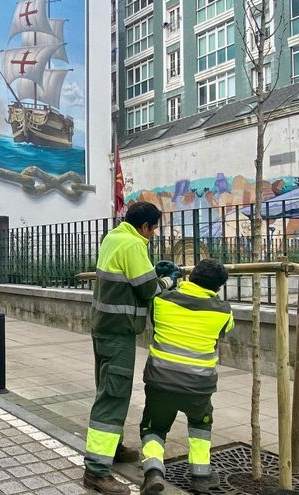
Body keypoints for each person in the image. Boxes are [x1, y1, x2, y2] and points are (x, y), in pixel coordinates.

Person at [82, 202, 176, 495]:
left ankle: (114, 447)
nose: (154, 234)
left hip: (103, 328)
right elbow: (148, 290)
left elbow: (129, 278)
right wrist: (168, 280)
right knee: (113, 396)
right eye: (154, 229)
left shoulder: (113, 237)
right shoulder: (134, 245)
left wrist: (150, 271)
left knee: (107, 388)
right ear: (146, 227)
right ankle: (97, 471)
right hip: (119, 333)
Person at [140, 258, 234, 494]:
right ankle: (201, 476)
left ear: (190, 277)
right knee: (201, 424)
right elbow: (225, 331)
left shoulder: (161, 302)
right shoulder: (224, 312)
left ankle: (153, 472)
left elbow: (154, 310)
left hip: (160, 381)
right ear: (218, 288)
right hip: (199, 386)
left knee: (154, 427)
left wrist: (169, 283)